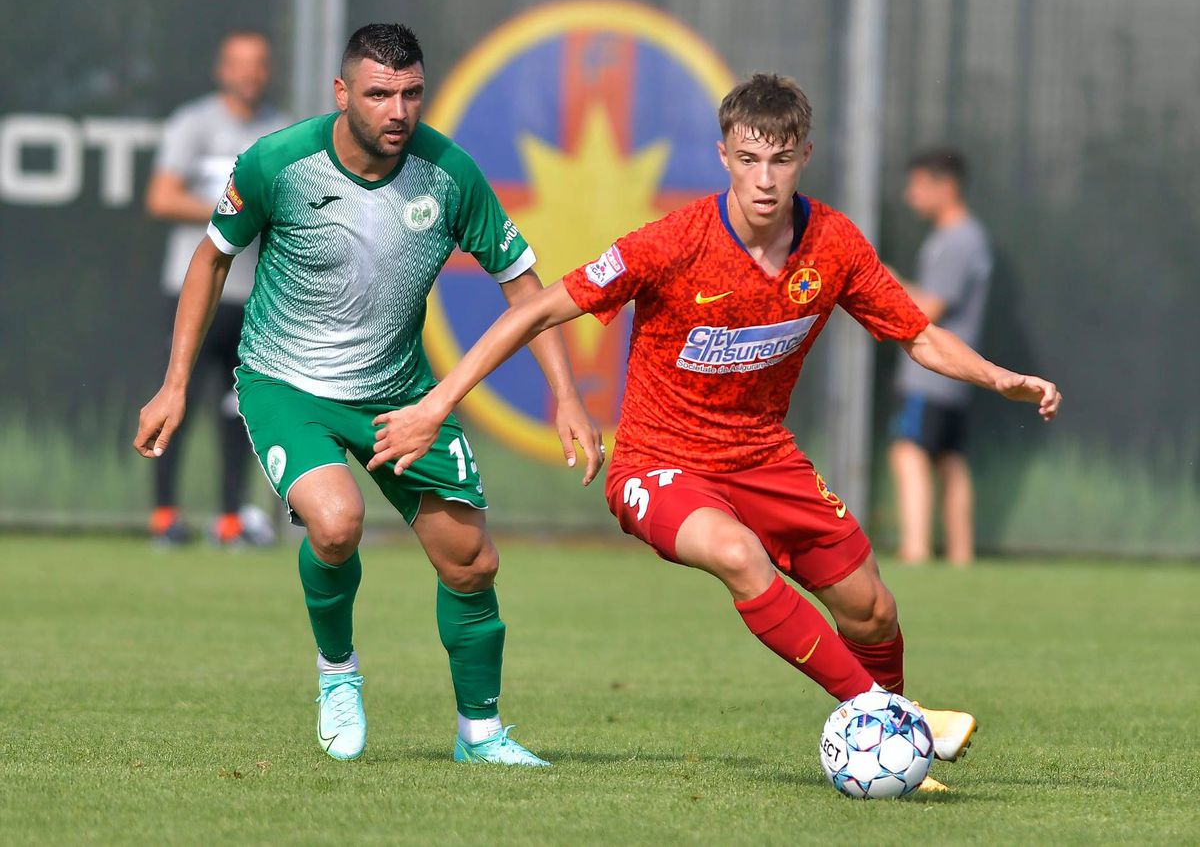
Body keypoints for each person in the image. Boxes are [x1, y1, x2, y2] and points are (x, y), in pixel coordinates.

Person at [370, 73, 1062, 791]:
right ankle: (887, 715)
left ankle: (904, 758)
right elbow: (533, 313)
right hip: (656, 463)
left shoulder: (832, 244)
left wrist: (997, 378)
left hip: (763, 454)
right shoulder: (673, 241)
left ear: (804, 157)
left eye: (781, 159)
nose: (765, 178)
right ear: (724, 156)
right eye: (749, 158)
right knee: (736, 553)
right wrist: (436, 405)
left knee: (871, 607)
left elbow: (917, 336)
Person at [134, 23, 603, 766]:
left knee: (470, 562)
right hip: (287, 383)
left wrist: (566, 395)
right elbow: (210, 260)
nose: (398, 110)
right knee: (336, 522)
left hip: (399, 393)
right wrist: (175, 383)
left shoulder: (449, 173)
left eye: (412, 93)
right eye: (380, 93)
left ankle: (480, 735)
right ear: (342, 93)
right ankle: (337, 672)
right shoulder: (278, 163)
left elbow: (525, 289)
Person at [145, 30, 288, 547]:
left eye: (259, 64)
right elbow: (162, 197)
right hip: (193, 292)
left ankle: (231, 519)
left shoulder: (280, 132)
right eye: (239, 64)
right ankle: (165, 516)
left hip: (254, 298)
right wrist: (233, 215)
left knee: (238, 413)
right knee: (175, 401)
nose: (249, 73)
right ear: (221, 69)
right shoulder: (193, 123)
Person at [887, 149, 993, 565]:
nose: (909, 194)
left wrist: (887, 284)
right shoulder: (963, 237)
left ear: (945, 187)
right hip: (956, 375)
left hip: (934, 371)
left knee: (907, 451)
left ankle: (915, 549)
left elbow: (928, 310)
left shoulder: (958, 239)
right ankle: (960, 556)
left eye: (917, 185)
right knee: (950, 459)